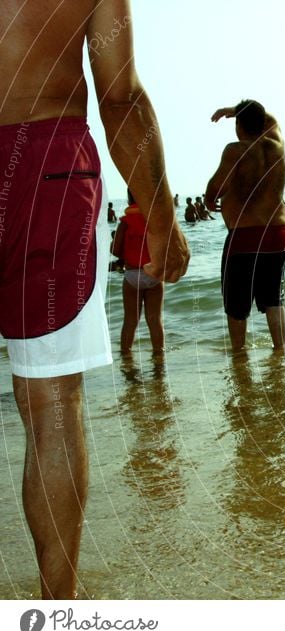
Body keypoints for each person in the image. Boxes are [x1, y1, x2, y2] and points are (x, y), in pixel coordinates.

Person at [0, 0, 189, 600]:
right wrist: (160, 215)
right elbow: (119, 97)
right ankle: (60, 615)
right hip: (44, 164)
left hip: (42, 166)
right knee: (50, 404)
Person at [206, 100, 285, 353]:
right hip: (277, 233)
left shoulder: (235, 151)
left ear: (239, 125)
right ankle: (280, 351)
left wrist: (209, 199)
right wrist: (238, 111)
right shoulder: (278, 149)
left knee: (237, 304)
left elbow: (217, 187)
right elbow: (271, 120)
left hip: (244, 236)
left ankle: (239, 355)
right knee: (274, 299)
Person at [112, 190, 165, 354]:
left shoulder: (125, 222)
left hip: (133, 275)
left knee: (130, 320)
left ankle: (126, 356)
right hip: (154, 274)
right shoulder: (154, 220)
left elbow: (115, 249)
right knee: (154, 320)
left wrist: (126, 255)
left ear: (129, 199)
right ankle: (159, 356)